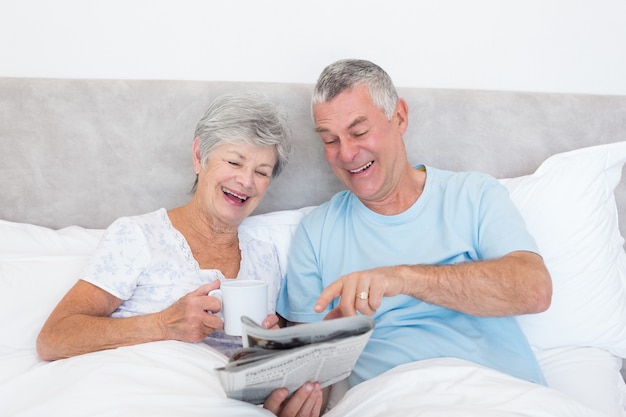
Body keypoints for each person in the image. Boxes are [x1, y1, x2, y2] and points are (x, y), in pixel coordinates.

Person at [276, 59, 553, 396]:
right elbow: (309, 378)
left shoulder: (473, 194)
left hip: (503, 394)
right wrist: (297, 379)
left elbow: (534, 290)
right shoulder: (316, 233)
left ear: (400, 117)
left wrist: (403, 279)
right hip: (396, 400)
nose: (347, 153)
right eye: (330, 140)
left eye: (359, 132)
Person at [36, 92, 323, 417]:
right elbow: (54, 337)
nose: (245, 181)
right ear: (199, 157)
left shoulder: (266, 259)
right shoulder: (139, 236)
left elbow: (280, 359)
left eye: (262, 171)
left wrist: (271, 354)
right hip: (141, 399)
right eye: (234, 162)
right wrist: (162, 324)